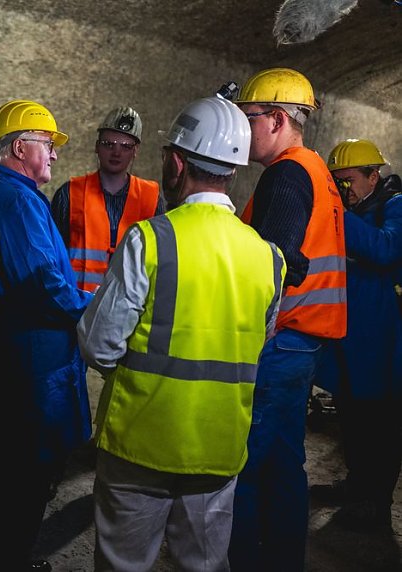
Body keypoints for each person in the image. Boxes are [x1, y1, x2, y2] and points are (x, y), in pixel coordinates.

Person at [77, 95, 286, 572]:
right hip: (219, 448)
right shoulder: (268, 257)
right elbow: (259, 341)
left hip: (140, 443)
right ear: (233, 169)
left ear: (175, 162)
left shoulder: (149, 239)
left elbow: (98, 346)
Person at [0, 99, 95, 572]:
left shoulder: (8, 197)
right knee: (21, 476)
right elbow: (43, 284)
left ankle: (4, 558)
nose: (55, 155)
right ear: (21, 147)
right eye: (48, 144)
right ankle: (6, 561)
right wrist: (96, 307)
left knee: (12, 472)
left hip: (20, 364)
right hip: (27, 370)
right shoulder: (16, 202)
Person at [229, 67, 347, 571]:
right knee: (283, 462)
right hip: (302, 344)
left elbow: (275, 265)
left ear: (277, 119)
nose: (241, 129)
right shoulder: (315, 170)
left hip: (280, 340)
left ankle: (252, 560)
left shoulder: (287, 174)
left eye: (248, 118)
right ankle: (281, 558)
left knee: (253, 463)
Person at [311, 138, 402, 530]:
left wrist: (336, 212)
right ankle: (356, 485)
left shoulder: (395, 205)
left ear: (373, 175)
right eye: (336, 183)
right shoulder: (356, 208)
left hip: (382, 343)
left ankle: (376, 503)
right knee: (352, 418)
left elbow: (385, 250)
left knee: (380, 424)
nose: (343, 190)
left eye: (347, 182)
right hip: (348, 337)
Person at [51, 106, 165, 292]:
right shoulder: (70, 193)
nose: (116, 152)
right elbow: (52, 257)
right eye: (108, 144)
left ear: (135, 151)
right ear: (97, 146)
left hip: (130, 310)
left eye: (125, 146)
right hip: (77, 308)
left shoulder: (151, 198)